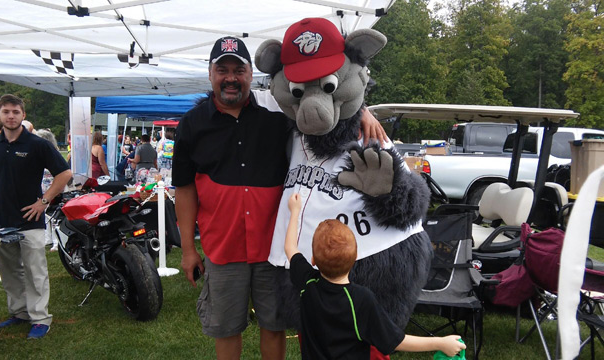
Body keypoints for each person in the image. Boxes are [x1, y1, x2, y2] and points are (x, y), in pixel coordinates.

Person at [173, 35, 388, 360]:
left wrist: (363, 112)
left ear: (250, 74)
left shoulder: (276, 115)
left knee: (274, 326)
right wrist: (189, 250)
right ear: (210, 74)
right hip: (222, 247)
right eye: (223, 70)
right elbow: (185, 189)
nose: (231, 78)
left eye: (238, 70)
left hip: (272, 249)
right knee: (226, 329)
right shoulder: (191, 125)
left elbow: (323, 103)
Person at [285, 193, 467, 359]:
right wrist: (441, 342)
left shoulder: (308, 283)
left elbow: (290, 248)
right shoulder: (361, 299)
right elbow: (396, 341)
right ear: (356, 257)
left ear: (313, 260)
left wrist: (295, 211)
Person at [0, 94, 72, 339]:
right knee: (10, 271)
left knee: (35, 271)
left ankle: (40, 318)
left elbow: (64, 173)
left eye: (16, 111)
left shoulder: (37, 144)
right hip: (2, 220)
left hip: (30, 220)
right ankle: (19, 313)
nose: (11, 116)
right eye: (6, 111)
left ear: (23, 115)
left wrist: (43, 201)